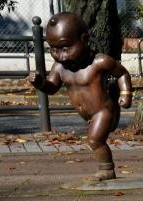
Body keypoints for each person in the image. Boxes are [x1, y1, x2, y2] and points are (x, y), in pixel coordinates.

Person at [28, 12, 133, 181]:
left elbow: (122, 74)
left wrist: (126, 94)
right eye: (53, 49)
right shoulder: (59, 68)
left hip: (103, 110)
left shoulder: (99, 62)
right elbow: (52, 87)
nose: (60, 55)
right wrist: (40, 83)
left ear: (84, 40)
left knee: (95, 140)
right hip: (89, 115)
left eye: (65, 48)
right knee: (94, 140)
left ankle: (107, 170)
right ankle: (105, 169)